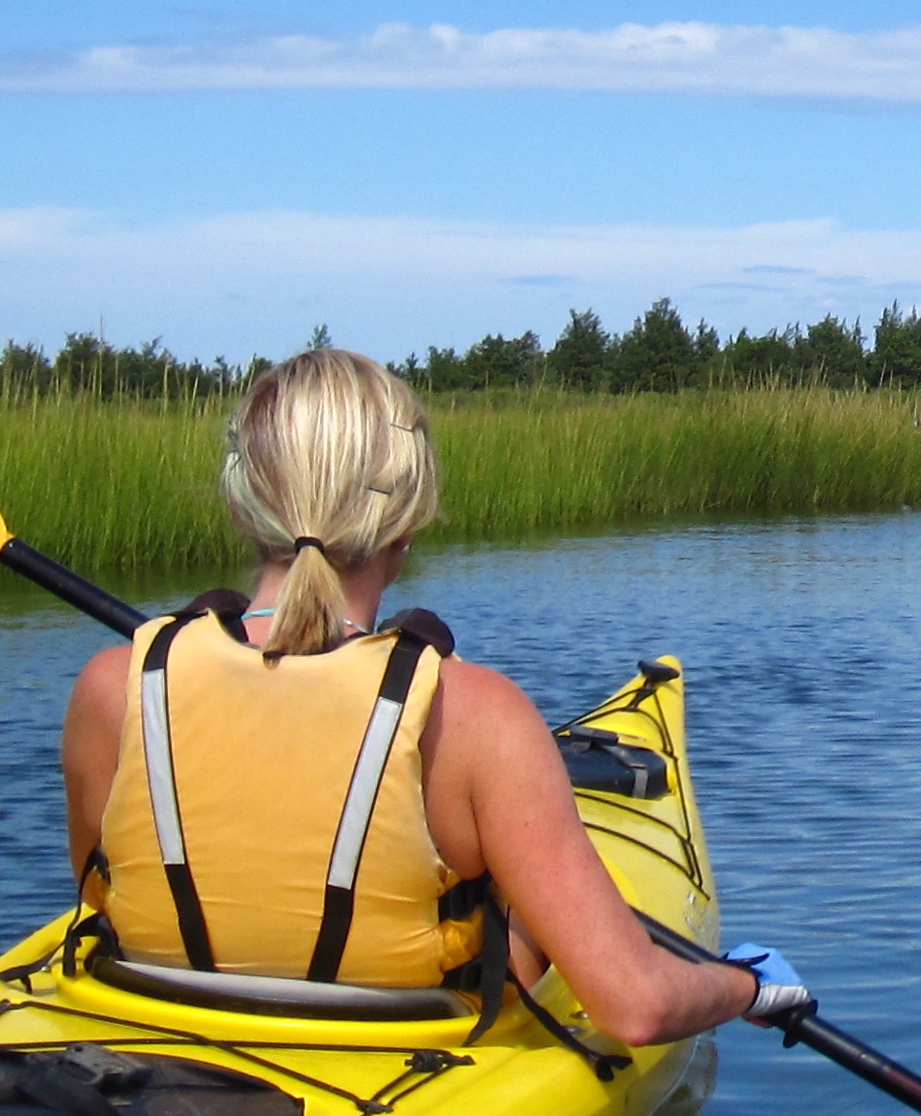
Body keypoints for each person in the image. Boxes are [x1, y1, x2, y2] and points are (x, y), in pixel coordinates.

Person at [60, 348, 804, 1050]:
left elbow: (104, 896)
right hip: (414, 1039)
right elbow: (634, 1008)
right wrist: (744, 987)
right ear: (408, 524)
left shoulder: (111, 689)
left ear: (240, 507)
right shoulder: (478, 718)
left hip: (161, 1025)